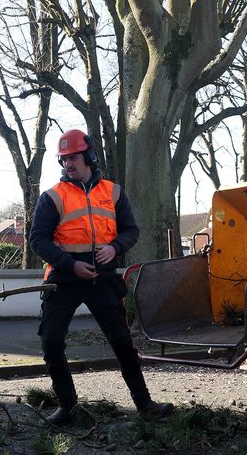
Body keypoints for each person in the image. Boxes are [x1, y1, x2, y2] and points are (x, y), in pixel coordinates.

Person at [29, 129, 173, 426]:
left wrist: (115, 247)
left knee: (122, 340)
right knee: (51, 340)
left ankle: (145, 406)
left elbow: (131, 231)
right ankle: (67, 406)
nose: (69, 164)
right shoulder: (53, 197)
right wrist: (70, 265)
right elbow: (38, 240)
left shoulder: (114, 192)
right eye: (64, 159)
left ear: (90, 157)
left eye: (74, 157)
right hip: (64, 279)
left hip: (102, 277)